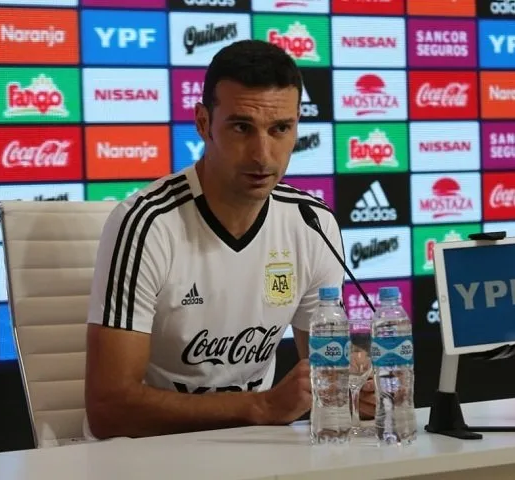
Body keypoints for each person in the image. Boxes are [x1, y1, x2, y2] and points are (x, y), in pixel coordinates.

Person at [84, 39, 375, 440]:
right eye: (241, 127)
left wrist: (354, 389)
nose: (262, 155)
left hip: (259, 449)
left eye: (280, 129)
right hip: (153, 453)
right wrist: (261, 406)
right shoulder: (146, 224)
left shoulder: (312, 223)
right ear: (203, 123)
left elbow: (330, 373)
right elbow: (109, 410)